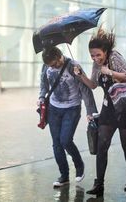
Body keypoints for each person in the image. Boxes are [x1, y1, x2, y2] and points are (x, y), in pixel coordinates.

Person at [75, 26, 126, 196]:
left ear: (105, 51)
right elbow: (94, 85)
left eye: (98, 55)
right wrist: (81, 75)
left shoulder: (115, 57)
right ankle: (99, 184)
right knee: (101, 146)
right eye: (92, 56)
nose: (96, 58)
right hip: (108, 110)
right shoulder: (96, 64)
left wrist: (109, 71)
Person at [38, 46, 97, 188]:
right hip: (53, 109)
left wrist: (90, 112)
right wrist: (41, 97)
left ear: (59, 56)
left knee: (65, 140)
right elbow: (44, 84)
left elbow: (85, 90)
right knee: (56, 143)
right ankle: (64, 176)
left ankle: (79, 164)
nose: (52, 67)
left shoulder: (73, 66)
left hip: (72, 109)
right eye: (49, 65)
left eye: (54, 64)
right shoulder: (46, 66)